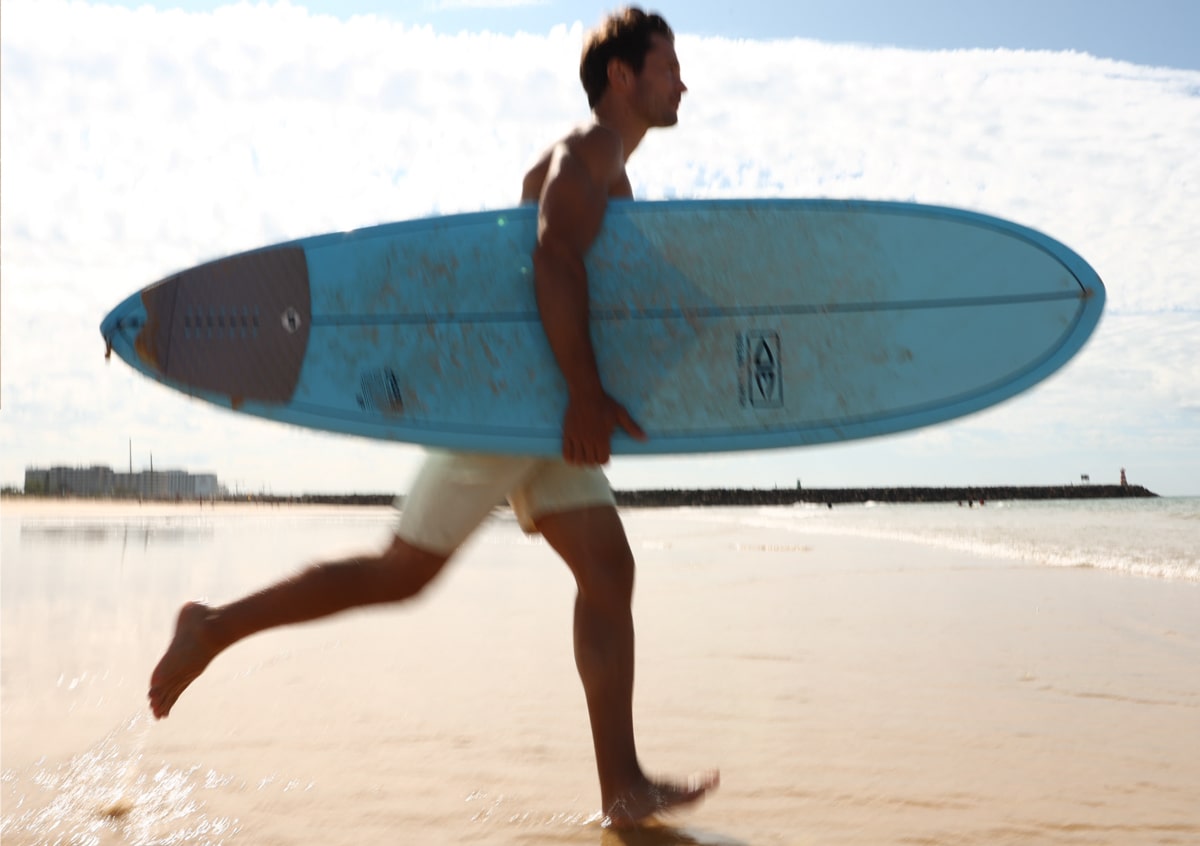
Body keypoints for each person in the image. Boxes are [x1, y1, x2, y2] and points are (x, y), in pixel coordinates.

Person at [148, 5, 717, 831]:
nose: (682, 81)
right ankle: (212, 626)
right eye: (668, 65)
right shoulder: (586, 153)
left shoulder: (611, 170)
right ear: (622, 77)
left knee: (608, 571)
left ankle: (621, 784)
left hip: (546, 404)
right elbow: (552, 254)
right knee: (401, 573)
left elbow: (595, 283)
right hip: (509, 403)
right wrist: (588, 395)